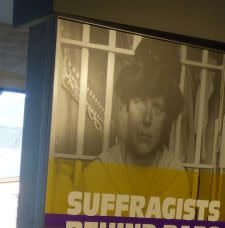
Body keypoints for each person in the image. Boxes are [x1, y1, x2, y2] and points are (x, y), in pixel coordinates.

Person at [79, 37, 191, 199]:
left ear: (167, 118)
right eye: (139, 102)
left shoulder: (176, 178)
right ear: (126, 106)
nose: (147, 119)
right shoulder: (96, 174)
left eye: (157, 107)